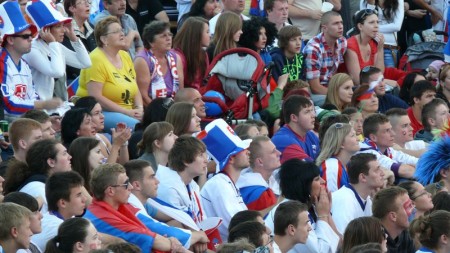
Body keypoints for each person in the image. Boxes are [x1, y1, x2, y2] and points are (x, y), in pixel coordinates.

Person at [84, 163, 188, 253]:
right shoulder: (100, 217)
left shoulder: (120, 205)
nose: (131, 187)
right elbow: (144, 237)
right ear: (110, 191)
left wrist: (170, 241)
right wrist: (171, 243)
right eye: (125, 184)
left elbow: (148, 230)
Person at [124, 160, 210, 253]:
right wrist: (198, 235)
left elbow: (176, 216)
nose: (157, 181)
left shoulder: (145, 203)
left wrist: (194, 230)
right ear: (137, 185)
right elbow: (158, 228)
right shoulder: (130, 206)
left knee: (176, 223)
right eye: (152, 177)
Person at [77, 16, 144, 131]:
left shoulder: (124, 55)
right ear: (104, 39)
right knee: (139, 129)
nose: (122, 34)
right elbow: (95, 96)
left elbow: (134, 86)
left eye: (121, 30)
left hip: (128, 111)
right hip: (101, 113)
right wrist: (127, 112)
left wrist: (140, 109)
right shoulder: (95, 59)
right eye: (116, 31)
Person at [0, 1, 62, 121]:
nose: (30, 39)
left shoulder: (24, 64)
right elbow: (9, 105)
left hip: (24, 121)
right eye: (25, 36)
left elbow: (32, 96)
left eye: (31, 35)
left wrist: (46, 120)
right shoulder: (1, 62)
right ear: (11, 40)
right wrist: (43, 105)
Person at [265, 159, 340, 253]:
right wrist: (323, 215)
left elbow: (339, 242)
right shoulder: (291, 212)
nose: (323, 181)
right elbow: (321, 251)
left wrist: (326, 213)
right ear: (304, 186)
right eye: (317, 179)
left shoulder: (309, 206)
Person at [25, 0, 91, 101]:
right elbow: (57, 72)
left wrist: (73, 37)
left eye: (63, 26)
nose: (64, 30)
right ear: (45, 30)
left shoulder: (56, 46)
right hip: (41, 109)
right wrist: (53, 42)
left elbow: (85, 63)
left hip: (59, 106)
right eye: (58, 26)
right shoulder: (33, 49)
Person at [198, 119, 250, 241]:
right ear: (231, 159)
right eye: (242, 150)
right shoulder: (219, 185)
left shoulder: (226, 182)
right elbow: (237, 227)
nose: (248, 152)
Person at [3, 139, 72, 213]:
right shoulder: (38, 189)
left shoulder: (45, 185)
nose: (70, 157)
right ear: (51, 162)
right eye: (64, 154)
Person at [156, 136, 208, 223]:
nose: (206, 160)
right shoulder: (168, 188)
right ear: (186, 161)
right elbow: (178, 225)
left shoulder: (192, 184)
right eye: (200, 155)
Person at [31, 171, 87, 251]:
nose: (84, 199)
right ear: (63, 203)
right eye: (78, 195)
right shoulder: (57, 227)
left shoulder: (64, 218)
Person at [331, 153, 385, 234]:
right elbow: (342, 242)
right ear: (363, 177)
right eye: (377, 170)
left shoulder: (367, 199)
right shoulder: (344, 200)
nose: (383, 173)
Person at [134, 21, 183, 105]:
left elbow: (180, 91)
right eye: (163, 36)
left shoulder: (176, 58)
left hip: (173, 107)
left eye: (170, 34)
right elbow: (143, 96)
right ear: (151, 42)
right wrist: (162, 111)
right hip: (151, 108)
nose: (168, 38)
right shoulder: (142, 60)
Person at [303, 11, 346, 105]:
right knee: (338, 101)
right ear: (324, 28)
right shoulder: (313, 49)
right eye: (336, 23)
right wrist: (338, 95)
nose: (340, 26)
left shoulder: (342, 41)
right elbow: (314, 87)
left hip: (330, 87)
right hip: (311, 93)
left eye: (341, 22)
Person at [358, 113, 417, 180]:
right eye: (387, 131)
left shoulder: (387, 149)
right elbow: (404, 171)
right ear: (373, 137)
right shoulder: (366, 152)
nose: (393, 134)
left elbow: (412, 160)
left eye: (391, 129)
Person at [236, 136, 280, 213]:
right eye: (273, 152)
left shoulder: (270, 181)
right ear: (260, 161)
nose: (279, 153)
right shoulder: (260, 195)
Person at [272, 95, 320, 162]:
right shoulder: (283, 140)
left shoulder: (310, 135)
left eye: (312, 111)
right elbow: (310, 169)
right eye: (307, 112)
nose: (313, 115)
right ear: (294, 118)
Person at [316, 123, 360, 192]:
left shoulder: (347, 164)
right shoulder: (332, 166)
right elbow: (332, 200)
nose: (358, 139)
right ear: (341, 143)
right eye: (353, 136)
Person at [360, 0, 404, 68]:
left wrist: (372, 28)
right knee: (372, 76)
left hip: (388, 47)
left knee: (389, 75)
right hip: (370, 45)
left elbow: (397, 26)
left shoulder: (398, 1)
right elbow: (364, 23)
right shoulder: (364, 1)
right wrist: (371, 5)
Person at [62, 0, 97, 83]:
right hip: (76, 79)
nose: (87, 4)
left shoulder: (92, 28)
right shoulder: (65, 31)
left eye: (88, 2)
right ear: (72, 8)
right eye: (82, 2)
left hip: (96, 74)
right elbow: (73, 66)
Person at [372, 187, 415, 252]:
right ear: (393, 216)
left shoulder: (405, 235)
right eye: (408, 206)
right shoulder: (373, 242)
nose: (413, 209)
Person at [173, 17, 210, 89]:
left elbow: (204, 82)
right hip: (184, 97)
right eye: (207, 32)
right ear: (196, 34)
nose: (210, 35)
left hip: (199, 95)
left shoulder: (203, 54)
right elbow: (178, 89)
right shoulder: (177, 56)